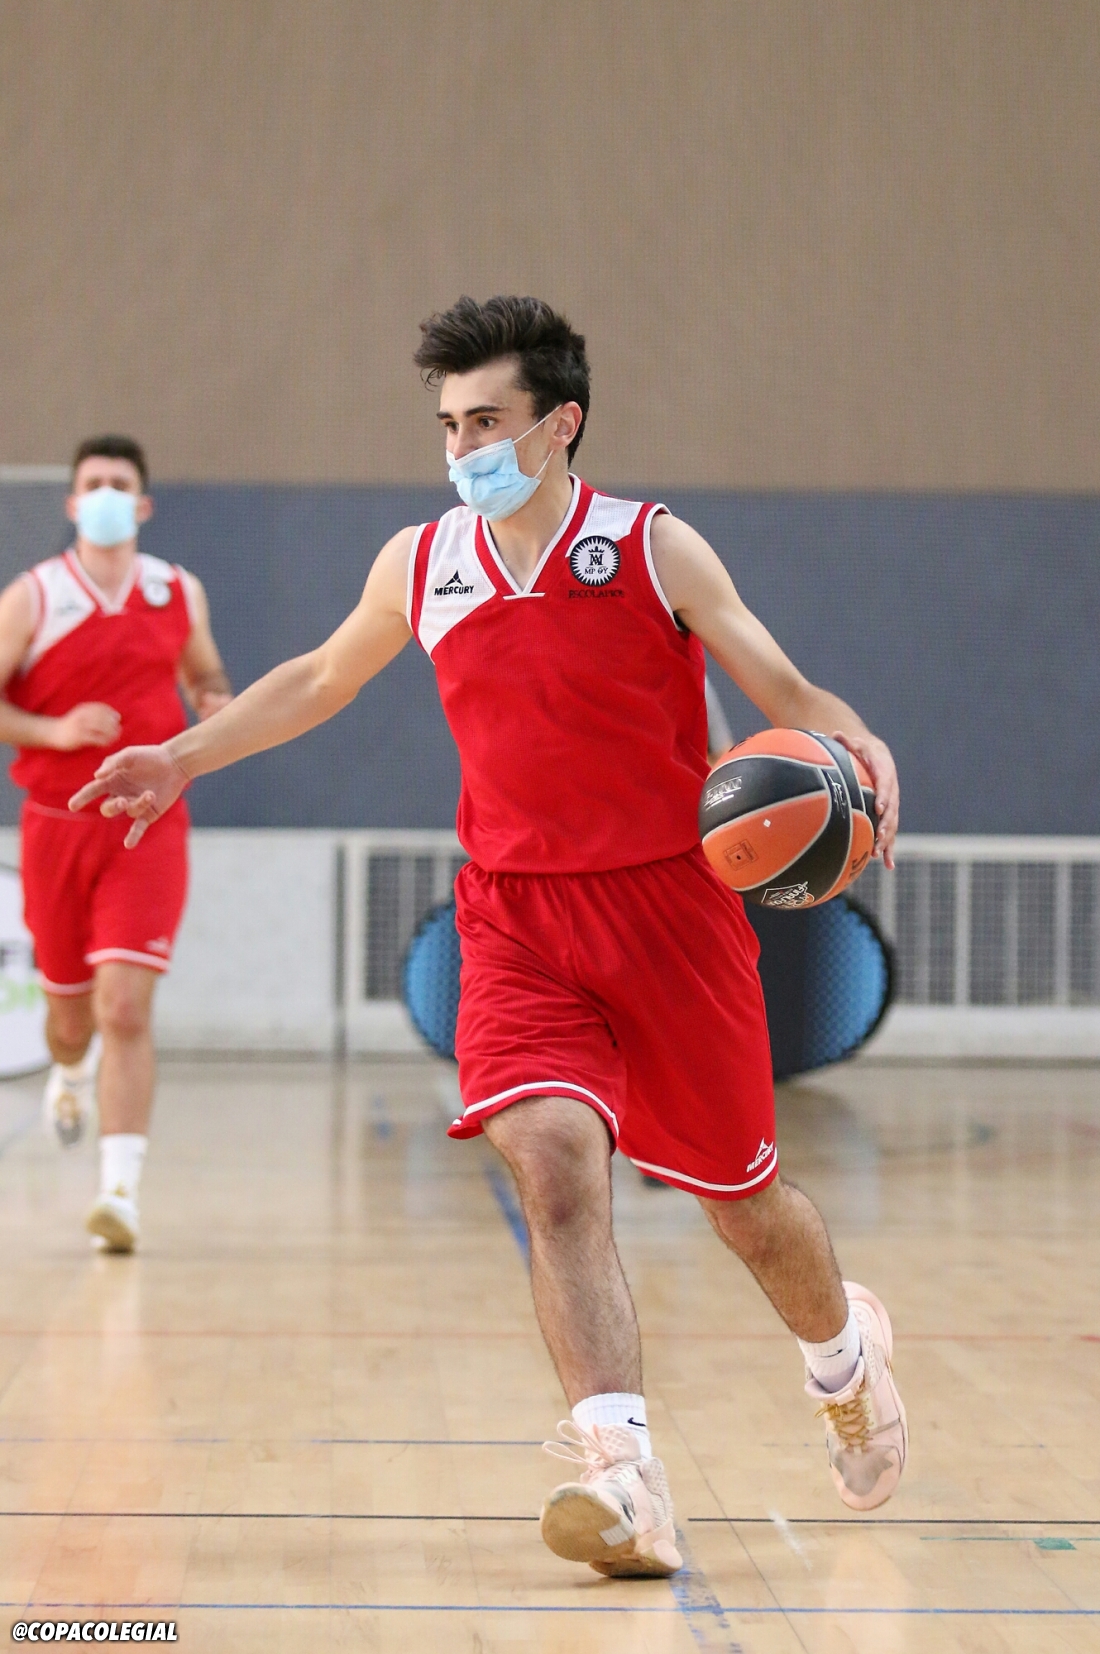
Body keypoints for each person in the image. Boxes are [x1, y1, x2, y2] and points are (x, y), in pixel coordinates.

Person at [71, 299, 907, 1574]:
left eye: (487, 421)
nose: (462, 446)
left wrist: (854, 740)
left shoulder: (650, 547)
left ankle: (842, 1353)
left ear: (559, 423)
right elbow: (318, 677)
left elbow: (784, 688)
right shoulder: (420, 561)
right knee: (554, 1166)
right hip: (513, 916)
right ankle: (623, 1477)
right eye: (449, 424)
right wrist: (182, 756)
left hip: (669, 913)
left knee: (744, 1208)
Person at [0, 434, 231, 1253]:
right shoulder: (34, 596)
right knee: (71, 1022)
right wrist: (54, 728)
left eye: (118, 483)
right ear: (72, 502)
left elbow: (207, 677)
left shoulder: (177, 590)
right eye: (92, 482)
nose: (104, 493)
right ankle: (69, 1071)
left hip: (148, 826)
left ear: (142, 503)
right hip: (56, 827)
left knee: (125, 1007)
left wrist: (216, 707)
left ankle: (119, 1193)